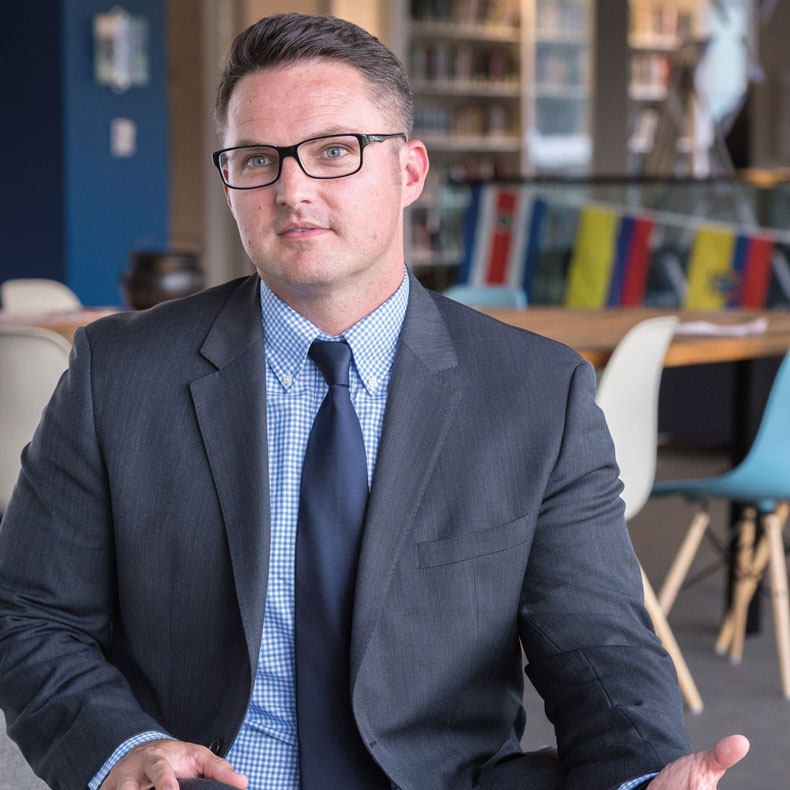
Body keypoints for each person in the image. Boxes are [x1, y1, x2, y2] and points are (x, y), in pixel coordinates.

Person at [0, 13, 748, 790]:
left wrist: (642, 777)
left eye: (334, 151)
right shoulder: (117, 374)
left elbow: (601, 652)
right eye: (257, 159)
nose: (293, 190)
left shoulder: (536, 394)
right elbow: (31, 615)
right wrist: (124, 750)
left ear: (411, 171)